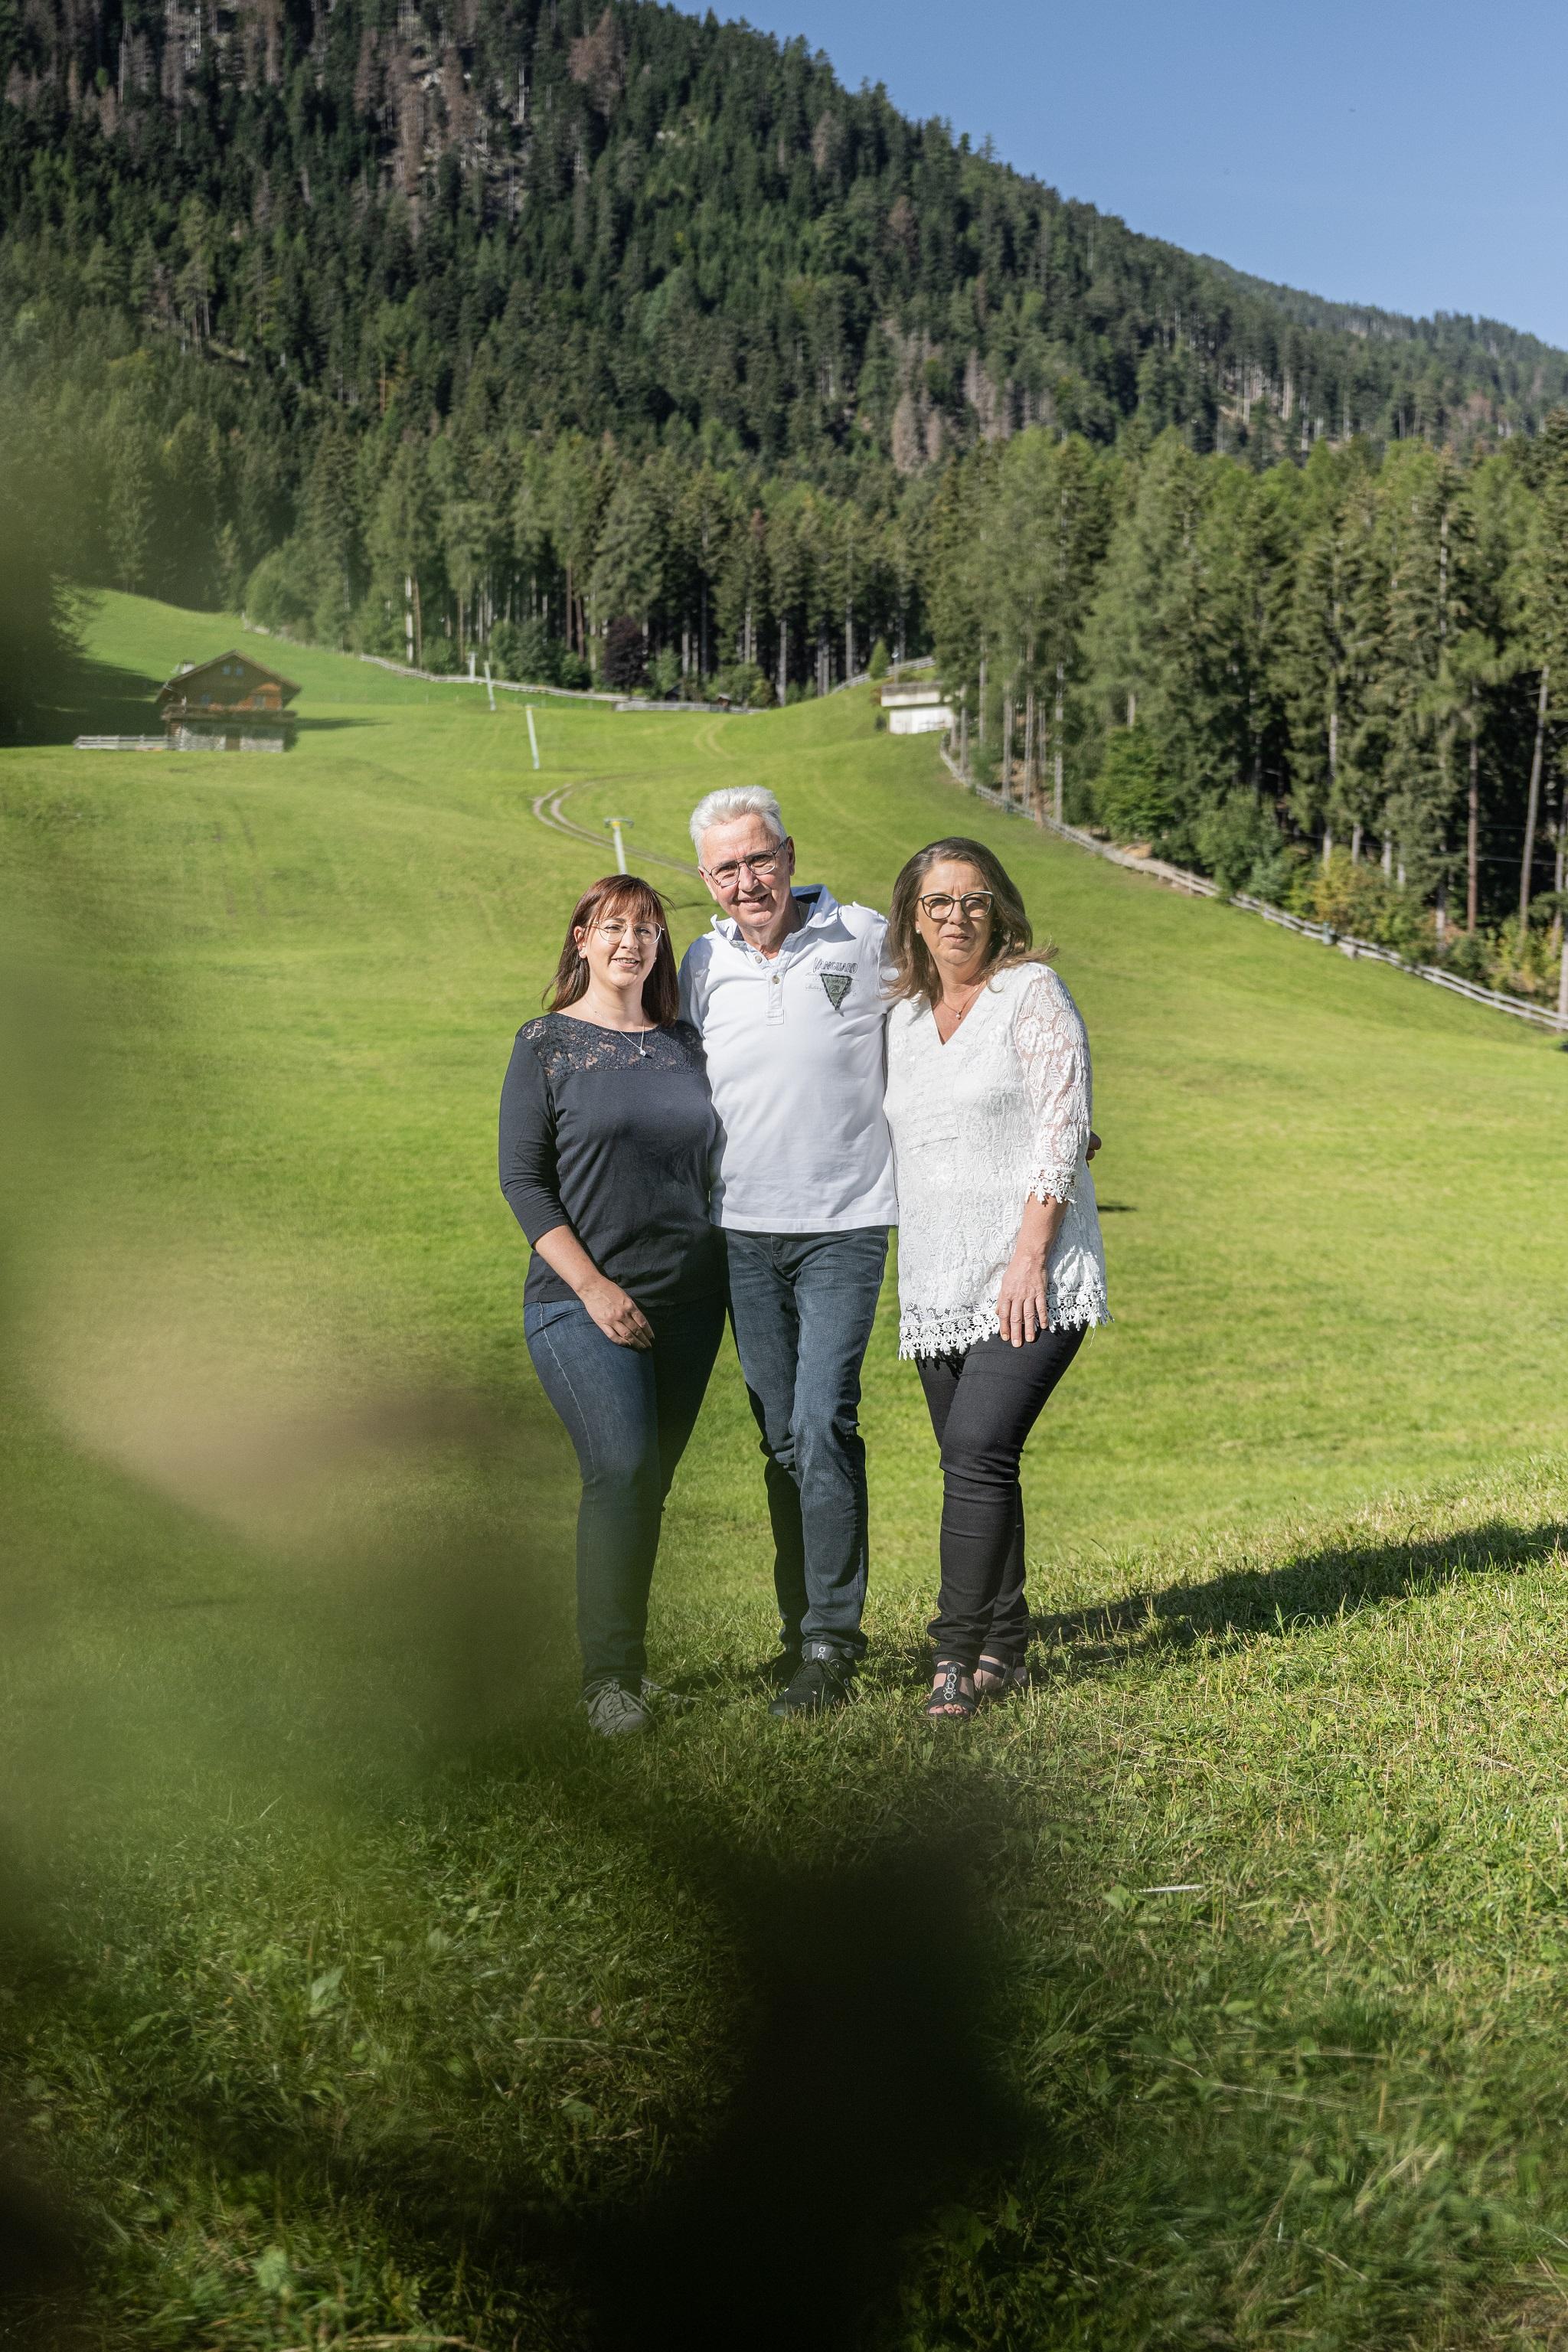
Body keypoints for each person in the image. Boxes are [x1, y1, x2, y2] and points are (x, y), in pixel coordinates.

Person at [678, 786, 895, 1717]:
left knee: (819, 1423)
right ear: (706, 880)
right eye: (726, 868)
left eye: (758, 859)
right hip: (739, 1234)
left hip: (844, 1222)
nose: (746, 881)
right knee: (779, 1438)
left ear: (790, 855)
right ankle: (797, 1632)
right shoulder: (700, 964)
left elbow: (958, 1008)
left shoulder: (865, 937)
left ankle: (830, 1642)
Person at [882, 837, 1110, 1722]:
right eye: (937, 902)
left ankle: (950, 1657)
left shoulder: (1031, 992)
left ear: (998, 909)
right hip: (937, 1277)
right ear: (912, 917)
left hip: (1032, 1273)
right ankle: (1002, 1648)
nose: (955, 917)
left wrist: (1027, 1257)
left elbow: (1061, 1124)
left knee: (976, 1450)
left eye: (972, 899)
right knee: (976, 1460)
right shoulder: (901, 1021)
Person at [499, 874, 727, 1736]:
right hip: (578, 1303)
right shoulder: (546, 1044)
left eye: (646, 929)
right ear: (582, 939)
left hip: (691, 1302)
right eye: (613, 927)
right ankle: (607, 1684)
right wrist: (593, 1288)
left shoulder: (685, 1046)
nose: (631, 942)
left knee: (647, 1486)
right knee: (622, 1470)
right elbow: (523, 1181)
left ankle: (629, 1668)